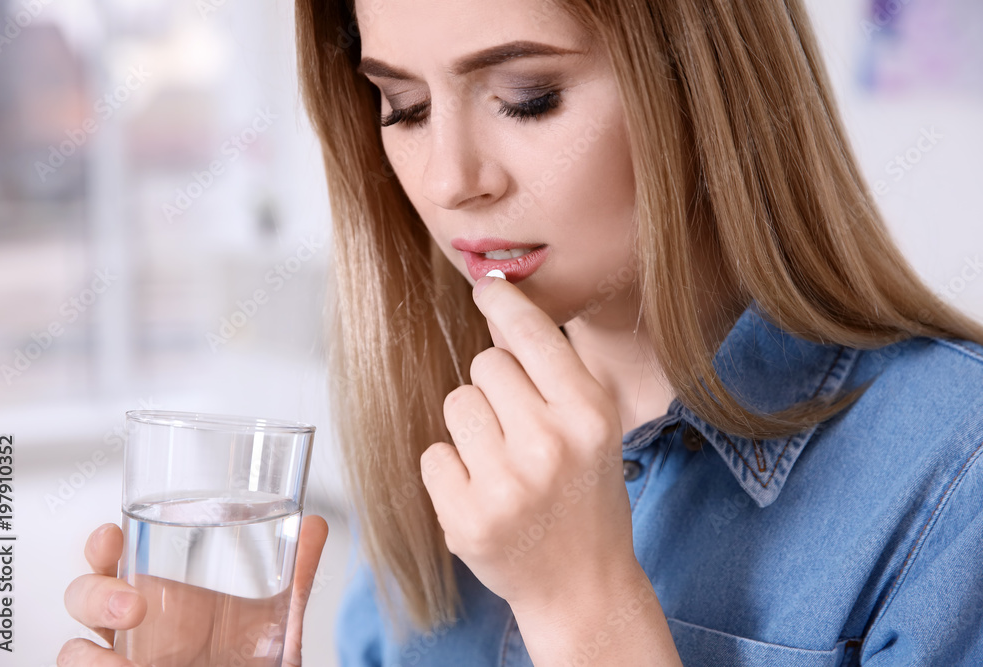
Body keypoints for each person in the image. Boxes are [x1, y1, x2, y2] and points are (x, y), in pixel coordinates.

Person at [60, 0, 983, 665]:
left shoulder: (956, 476)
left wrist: (586, 611)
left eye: (527, 96)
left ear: (702, 84)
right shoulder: (443, 440)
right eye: (405, 107)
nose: (453, 179)